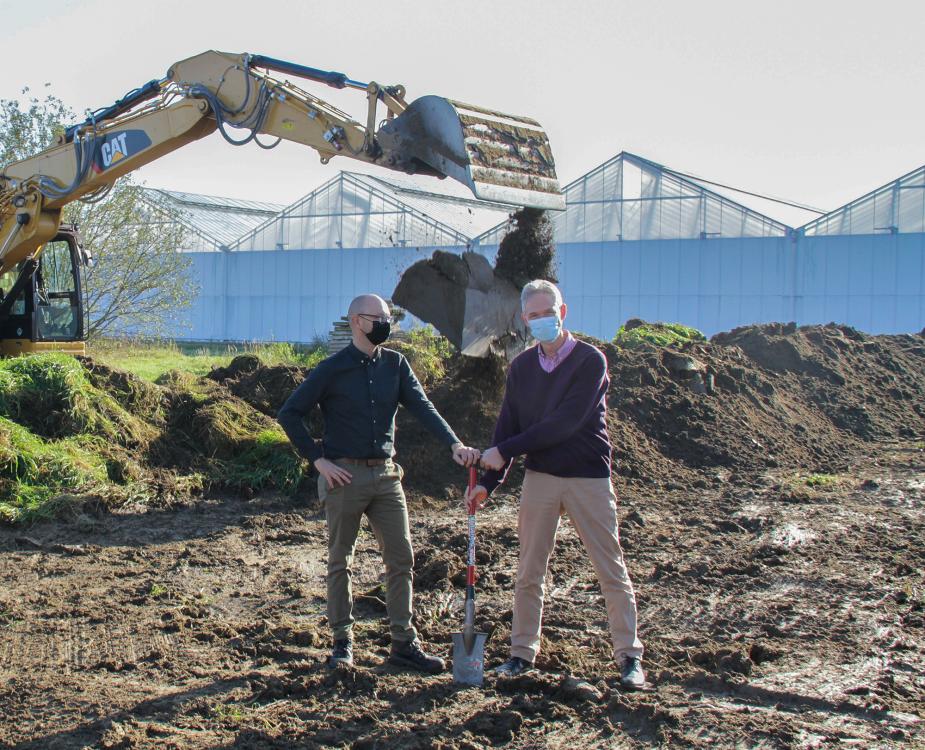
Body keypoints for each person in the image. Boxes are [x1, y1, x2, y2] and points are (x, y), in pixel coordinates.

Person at [278, 294, 479, 673]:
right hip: (344, 476)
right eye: (378, 318)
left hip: (387, 476)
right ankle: (342, 643)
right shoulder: (331, 370)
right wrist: (318, 460)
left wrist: (455, 444)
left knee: (401, 558)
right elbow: (289, 413)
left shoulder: (396, 365)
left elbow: (424, 407)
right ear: (356, 321)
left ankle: (403, 642)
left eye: (388, 318)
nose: (385, 324)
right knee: (341, 560)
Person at [466, 279, 646, 690]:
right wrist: (489, 483)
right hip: (541, 479)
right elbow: (507, 425)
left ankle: (629, 658)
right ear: (525, 321)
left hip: (588, 478)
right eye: (533, 315)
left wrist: (505, 449)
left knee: (609, 569)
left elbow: (564, 423)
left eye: (549, 312)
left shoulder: (589, 361)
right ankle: (521, 654)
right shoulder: (522, 368)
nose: (541, 320)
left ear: (563, 313)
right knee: (529, 570)